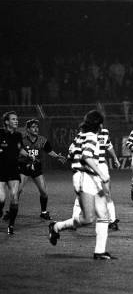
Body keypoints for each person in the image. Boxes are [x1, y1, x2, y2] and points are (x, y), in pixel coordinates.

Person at [48, 110, 115, 260]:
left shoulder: (81, 135)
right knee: (87, 219)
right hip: (85, 178)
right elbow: (86, 157)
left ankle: (99, 252)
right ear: (99, 124)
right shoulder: (91, 136)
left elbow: (71, 154)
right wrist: (101, 173)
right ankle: (56, 226)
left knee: (104, 214)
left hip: (89, 177)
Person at [15, 119, 67, 221]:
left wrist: (57, 156)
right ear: (28, 129)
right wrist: (27, 156)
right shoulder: (22, 139)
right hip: (24, 167)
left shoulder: (42, 140)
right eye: (33, 127)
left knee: (44, 192)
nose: (36, 129)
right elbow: (19, 150)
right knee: (18, 191)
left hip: (36, 167)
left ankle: (43, 212)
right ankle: (11, 210)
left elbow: (49, 151)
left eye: (37, 127)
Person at [71, 125, 120, 230]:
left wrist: (115, 158)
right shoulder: (83, 134)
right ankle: (74, 218)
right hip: (89, 165)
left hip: (101, 165)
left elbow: (109, 146)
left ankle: (112, 221)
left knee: (107, 192)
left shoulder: (105, 132)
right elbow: (73, 148)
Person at [0, 111, 35, 235]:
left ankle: (11, 225)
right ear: (6, 122)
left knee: (14, 197)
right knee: (1, 199)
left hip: (14, 170)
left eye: (16, 119)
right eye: (13, 119)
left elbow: (20, 149)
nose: (16, 121)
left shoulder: (18, 135)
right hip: (1, 170)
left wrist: (29, 156)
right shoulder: (0, 133)